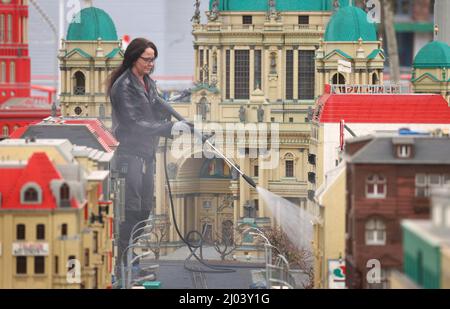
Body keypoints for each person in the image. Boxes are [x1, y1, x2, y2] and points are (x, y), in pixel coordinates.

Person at [108, 38, 178, 281]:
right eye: (147, 59)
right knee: (132, 210)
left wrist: (174, 116)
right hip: (130, 155)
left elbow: (152, 111)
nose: (151, 64)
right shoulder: (123, 86)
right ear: (133, 58)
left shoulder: (147, 82)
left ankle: (129, 259)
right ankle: (120, 266)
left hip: (146, 154)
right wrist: (168, 129)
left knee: (144, 210)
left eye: (153, 59)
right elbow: (134, 123)